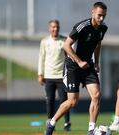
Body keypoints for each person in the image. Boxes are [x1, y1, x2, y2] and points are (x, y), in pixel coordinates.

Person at [44, 2, 108, 135]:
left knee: (96, 95)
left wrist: (96, 62)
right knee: (72, 101)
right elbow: (66, 46)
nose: (101, 19)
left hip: (88, 65)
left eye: (104, 16)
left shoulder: (103, 28)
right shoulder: (82, 26)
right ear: (93, 12)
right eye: (99, 15)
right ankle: (52, 122)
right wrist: (79, 62)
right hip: (73, 66)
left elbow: (98, 45)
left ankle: (91, 130)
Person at [38, 20, 71, 131]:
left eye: (57, 27)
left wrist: (70, 72)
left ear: (59, 28)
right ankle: (50, 123)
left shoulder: (64, 40)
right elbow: (41, 58)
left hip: (61, 76)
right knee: (50, 100)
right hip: (49, 76)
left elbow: (69, 57)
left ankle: (67, 123)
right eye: (53, 27)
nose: (55, 29)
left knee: (64, 100)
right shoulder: (44, 41)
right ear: (49, 28)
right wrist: (40, 74)